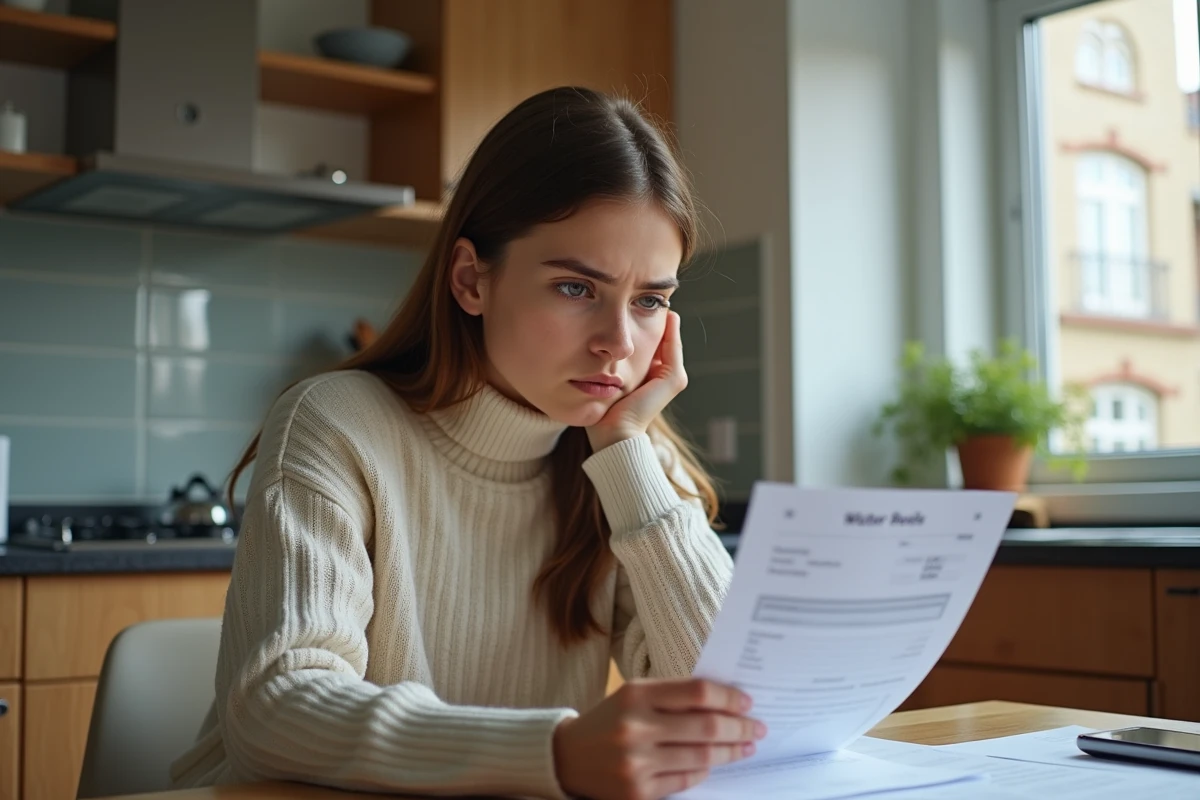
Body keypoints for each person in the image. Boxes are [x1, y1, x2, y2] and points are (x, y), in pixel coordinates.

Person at [170, 86, 764, 800]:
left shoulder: (623, 458)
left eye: (649, 301)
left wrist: (629, 452)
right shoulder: (336, 423)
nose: (618, 344)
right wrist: (551, 754)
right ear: (470, 279)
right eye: (577, 288)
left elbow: (734, 710)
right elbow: (275, 708)